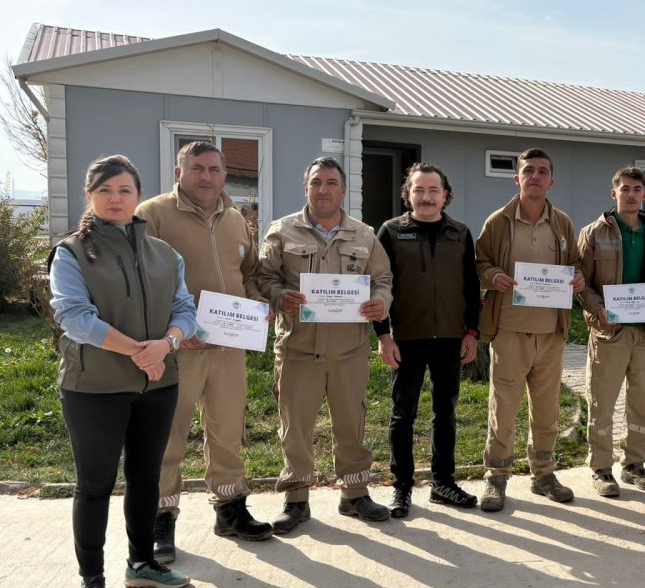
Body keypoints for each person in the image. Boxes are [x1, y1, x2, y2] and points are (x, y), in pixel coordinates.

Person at [49, 155, 196, 588]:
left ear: (138, 196)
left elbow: (185, 310)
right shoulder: (72, 252)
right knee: (94, 484)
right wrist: (139, 349)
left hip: (158, 384)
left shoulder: (164, 254)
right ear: (89, 196)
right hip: (94, 386)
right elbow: (73, 316)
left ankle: (142, 562)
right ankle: (91, 582)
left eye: (125, 190)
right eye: (106, 190)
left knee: (146, 476)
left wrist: (166, 344)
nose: (116, 199)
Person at [138, 141, 273, 565]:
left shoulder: (236, 219)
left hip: (230, 347)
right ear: (179, 173)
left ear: (224, 174)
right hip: (177, 348)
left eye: (214, 169)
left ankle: (230, 508)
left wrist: (258, 306)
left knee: (227, 430)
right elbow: (141, 281)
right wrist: (173, 328)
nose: (206, 176)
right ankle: (161, 517)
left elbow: (248, 273)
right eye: (197, 168)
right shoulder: (153, 215)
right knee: (168, 436)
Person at [256, 156, 394, 532]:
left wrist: (381, 302)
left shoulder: (364, 236)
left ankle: (354, 495)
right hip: (298, 348)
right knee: (295, 428)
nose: (323, 189)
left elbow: (382, 280)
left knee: (352, 424)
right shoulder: (282, 232)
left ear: (343, 190)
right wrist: (280, 295)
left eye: (331, 182)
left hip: (349, 350)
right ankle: (296, 498)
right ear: (307, 188)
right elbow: (262, 278)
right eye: (316, 182)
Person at [475, 148, 585, 512]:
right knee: (503, 406)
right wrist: (492, 276)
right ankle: (496, 476)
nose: (535, 177)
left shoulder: (563, 224)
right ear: (517, 179)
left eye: (542, 172)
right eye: (529, 171)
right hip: (509, 329)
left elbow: (575, 264)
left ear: (551, 181)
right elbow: (479, 262)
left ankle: (543, 474)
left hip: (550, 331)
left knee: (547, 407)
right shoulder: (498, 222)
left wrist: (579, 278)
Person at [374, 163, 480, 516]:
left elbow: (471, 287)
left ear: (445, 195)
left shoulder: (461, 234)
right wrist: (383, 336)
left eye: (434, 190)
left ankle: (443, 483)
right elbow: (379, 285)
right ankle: (401, 486)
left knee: (445, 412)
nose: (426, 197)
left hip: (450, 337)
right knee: (403, 413)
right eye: (419, 190)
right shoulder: (390, 232)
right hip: (406, 338)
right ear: (408, 194)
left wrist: (471, 333)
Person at [576, 166, 645, 498]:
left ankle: (634, 464)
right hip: (609, 332)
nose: (631, 194)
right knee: (602, 403)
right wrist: (598, 309)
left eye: (636, 189)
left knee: (640, 402)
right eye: (624, 189)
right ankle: (601, 468)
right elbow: (582, 284)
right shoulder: (594, 233)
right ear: (613, 193)